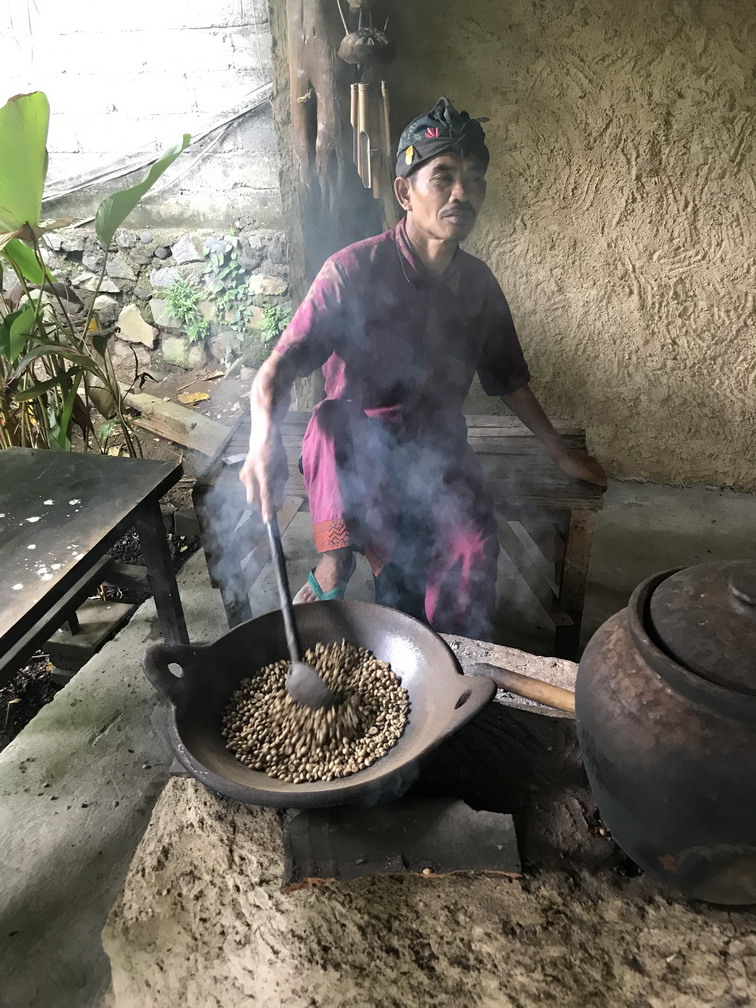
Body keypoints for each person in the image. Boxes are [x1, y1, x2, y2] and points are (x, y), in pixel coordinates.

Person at [240, 97, 606, 640]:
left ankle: (452, 660)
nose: (463, 192)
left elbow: (509, 378)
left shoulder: (478, 285)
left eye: (474, 179)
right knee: (332, 418)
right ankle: (335, 564)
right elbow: (277, 370)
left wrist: (558, 450)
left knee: (471, 549)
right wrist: (261, 441)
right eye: (444, 176)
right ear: (404, 192)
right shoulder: (351, 271)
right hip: (358, 456)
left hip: (439, 452)